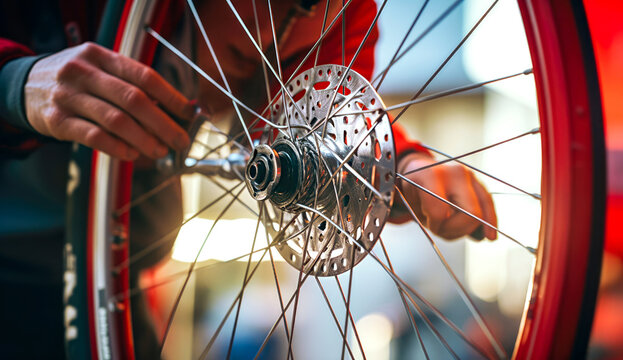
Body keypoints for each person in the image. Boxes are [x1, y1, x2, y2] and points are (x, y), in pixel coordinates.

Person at [0, 0, 497, 358]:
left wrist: (405, 168)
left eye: (310, 6)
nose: (276, 33)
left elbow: (325, 123)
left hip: (109, 285)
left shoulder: (343, 13)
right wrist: (15, 83)